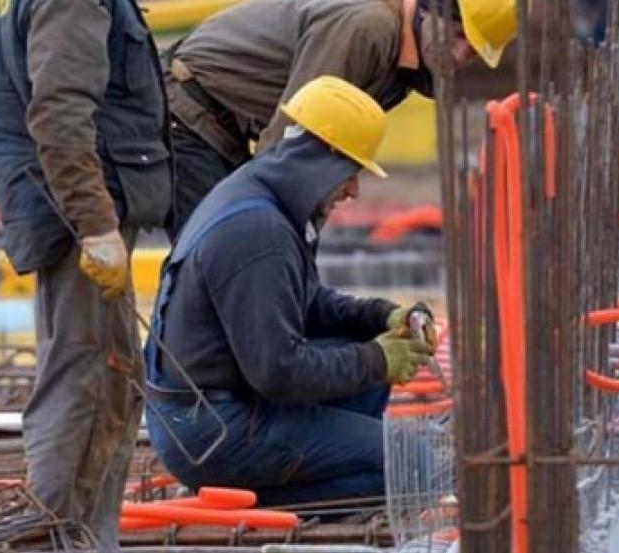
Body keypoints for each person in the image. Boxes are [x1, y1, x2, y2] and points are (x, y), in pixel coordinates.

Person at [0, 0, 169, 548]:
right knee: (84, 390)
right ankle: (52, 540)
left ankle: (80, 538)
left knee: (107, 385)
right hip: (74, 223)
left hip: (63, 213)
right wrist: (95, 226)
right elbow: (57, 117)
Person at [145, 76, 436, 505]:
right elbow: (278, 371)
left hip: (211, 411)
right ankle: (255, 497)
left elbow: (306, 302)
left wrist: (380, 318)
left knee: (367, 369)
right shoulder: (259, 232)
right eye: (351, 172)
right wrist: (376, 358)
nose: (353, 190)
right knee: (414, 462)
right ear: (325, 159)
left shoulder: (264, 199)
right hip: (211, 430)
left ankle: (298, 469)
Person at [163, 0, 518, 238]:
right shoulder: (369, 31)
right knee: (226, 252)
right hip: (190, 109)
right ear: (430, 7)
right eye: (455, 34)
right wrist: (291, 236)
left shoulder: (403, 60)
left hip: (222, 123)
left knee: (243, 250)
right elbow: (291, 138)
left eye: (471, 51)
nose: (457, 55)